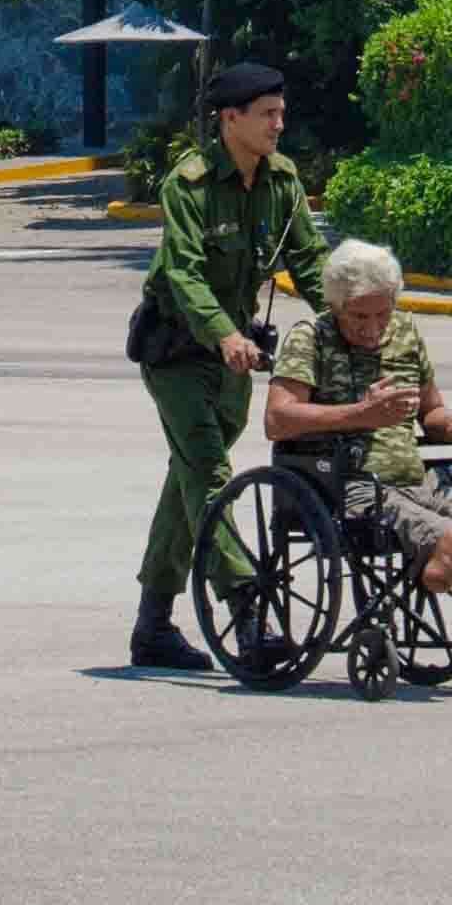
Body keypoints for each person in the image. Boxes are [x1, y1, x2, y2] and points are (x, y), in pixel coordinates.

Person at [127, 61, 326, 673]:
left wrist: (352, 323)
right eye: (267, 114)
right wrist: (224, 335)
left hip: (235, 360)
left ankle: (152, 626)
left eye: (281, 113)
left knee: (187, 483)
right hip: (178, 354)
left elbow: (310, 262)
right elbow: (183, 273)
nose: (279, 124)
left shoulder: (282, 181)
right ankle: (247, 612)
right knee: (211, 476)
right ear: (230, 118)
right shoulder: (188, 185)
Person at [265, 238, 452, 604]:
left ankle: (431, 570)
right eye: (360, 316)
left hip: (416, 482)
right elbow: (277, 419)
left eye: (382, 314)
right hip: (350, 487)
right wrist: (360, 414)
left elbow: (431, 411)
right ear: (336, 305)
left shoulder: (405, 332)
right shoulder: (311, 338)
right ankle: (432, 569)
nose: (373, 328)